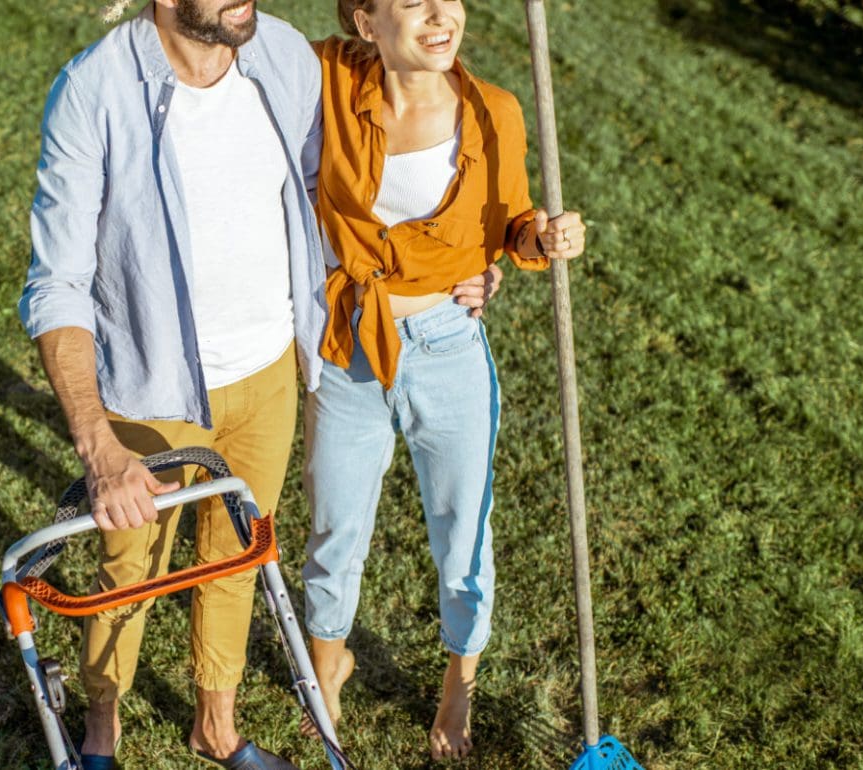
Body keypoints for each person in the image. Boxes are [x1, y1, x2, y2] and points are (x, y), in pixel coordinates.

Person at [20, 1, 500, 767]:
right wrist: (99, 445)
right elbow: (57, 283)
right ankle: (101, 727)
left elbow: (340, 190)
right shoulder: (94, 90)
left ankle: (216, 723)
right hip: (154, 385)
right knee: (129, 567)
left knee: (239, 555)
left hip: (271, 367)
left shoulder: (277, 51)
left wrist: (459, 265)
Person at [301, 0, 588, 761]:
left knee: (463, 533)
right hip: (347, 346)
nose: (440, 16)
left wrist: (541, 236)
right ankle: (328, 667)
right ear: (365, 23)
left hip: (447, 344)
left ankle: (457, 685)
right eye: (411, 2)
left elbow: (512, 220)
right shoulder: (324, 77)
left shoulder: (493, 112)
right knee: (334, 526)